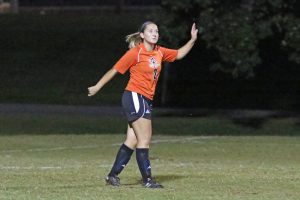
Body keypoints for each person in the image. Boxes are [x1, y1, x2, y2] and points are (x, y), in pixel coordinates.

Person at [88, 21, 198, 188]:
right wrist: (97, 86)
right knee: (144, 139)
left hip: (144, 99)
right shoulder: (136, 53)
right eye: (151, 31)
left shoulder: (159, 51)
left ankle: (112, 175)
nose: (155, 33)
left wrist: (192, 40)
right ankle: (147, 180)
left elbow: (179, 54)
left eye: (157, 31)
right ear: (142, 35)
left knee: (132, 140)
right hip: (135, 96)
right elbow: (115, 70)